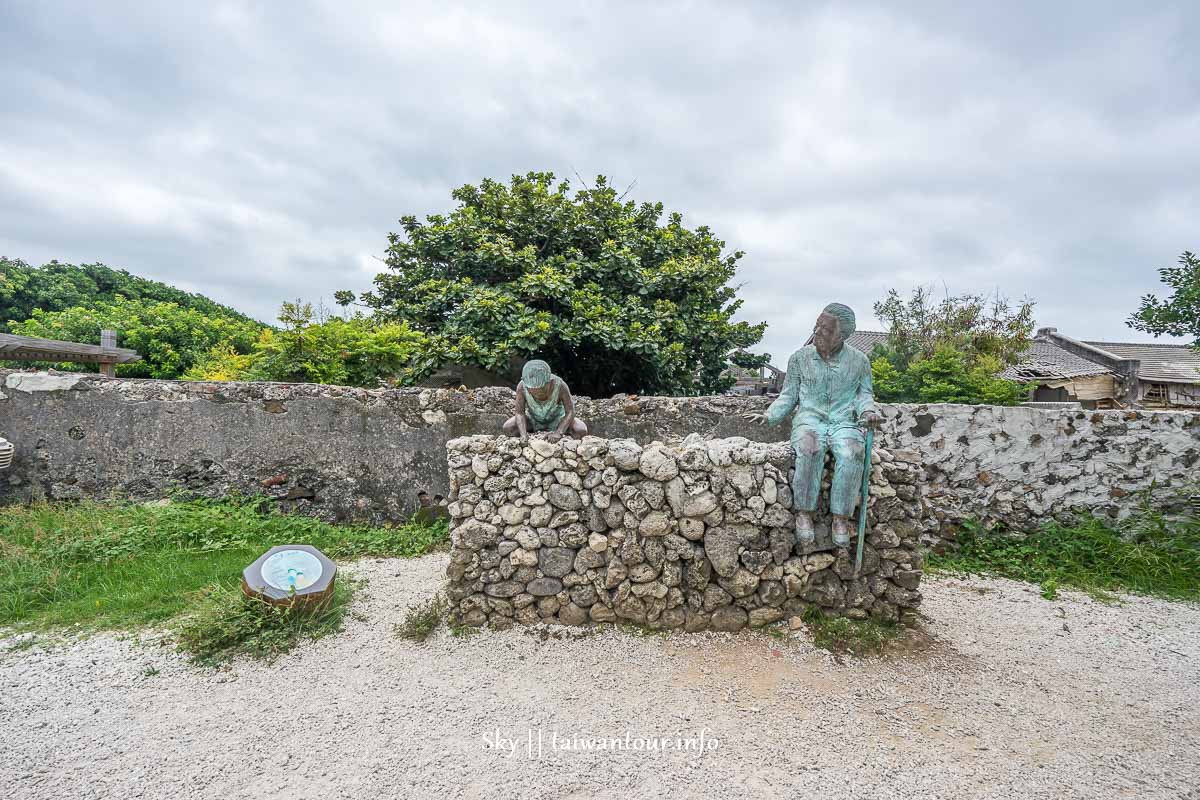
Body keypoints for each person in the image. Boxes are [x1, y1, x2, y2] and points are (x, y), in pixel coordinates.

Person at [746, 303, 880, 547]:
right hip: (809, 420)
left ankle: (841, 518)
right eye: (817, 325)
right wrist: (769, 415)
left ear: (841, 335)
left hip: (843, 422)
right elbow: (788, 395)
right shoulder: (799, 358)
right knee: (810, 449)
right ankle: (804, 514)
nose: (817, 331)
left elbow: (864, 395)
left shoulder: (859, 361)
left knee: (853, 453)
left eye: (825, 329)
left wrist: (868, 411)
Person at [502, 359, 588, 443]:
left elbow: (570, 412)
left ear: (549, 381)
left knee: (580, 430)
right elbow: (519, 413)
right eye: (532, 390)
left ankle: (561, 431)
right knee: (508, 428)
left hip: (557, 419)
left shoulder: (560, 385)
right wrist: (523, 435)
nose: (537, 393)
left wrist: (559, 432)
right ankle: (534, 431)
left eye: (541, 390)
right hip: (534, 419)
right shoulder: (522, 386)